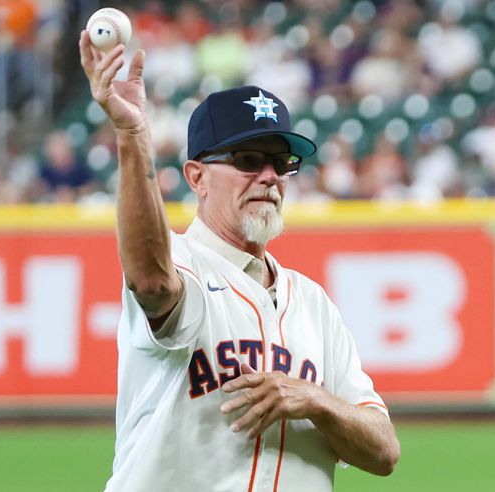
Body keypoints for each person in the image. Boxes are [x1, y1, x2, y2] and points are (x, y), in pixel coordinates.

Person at [79, 30, 400, 492]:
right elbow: (151, 281)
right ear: (197, 177)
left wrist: (315, 399)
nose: (269, 176)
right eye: (249, 159)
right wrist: (132, 136)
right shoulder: (184, 265)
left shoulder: (313, 303)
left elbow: (384, 451)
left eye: (281, 162)